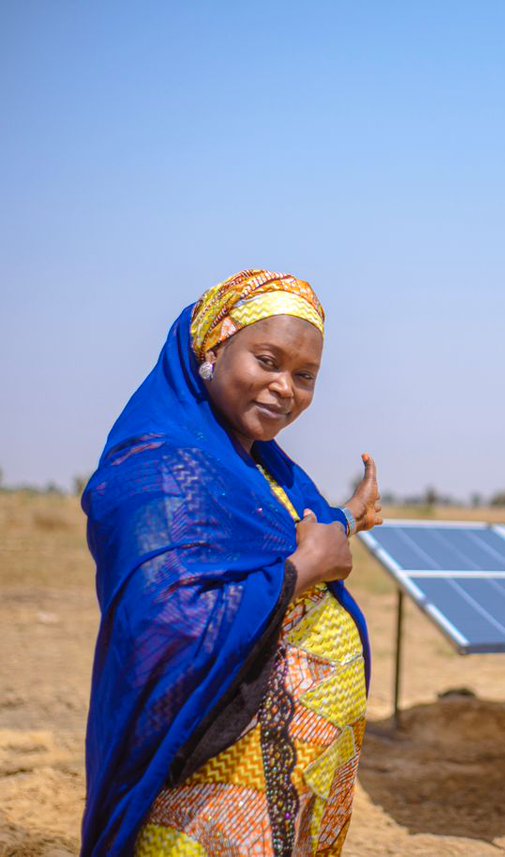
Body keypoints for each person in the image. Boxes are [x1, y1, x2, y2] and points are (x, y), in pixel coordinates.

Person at [80, 270, 383, 856]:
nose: (284, 388)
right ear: (212, 350)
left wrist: (346, 517)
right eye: (267, 360)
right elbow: (164, 621)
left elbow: (287, 536)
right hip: (209, 800)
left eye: (305, 375)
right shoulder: (158, 467)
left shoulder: (262, 467)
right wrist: (298, 574)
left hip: (285, 790)